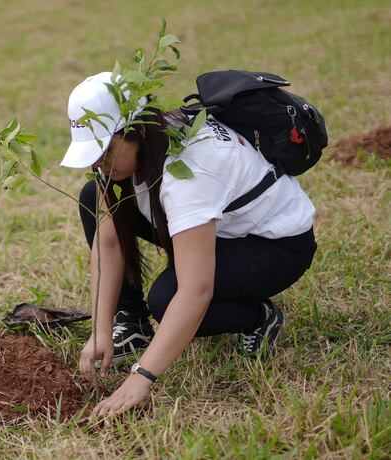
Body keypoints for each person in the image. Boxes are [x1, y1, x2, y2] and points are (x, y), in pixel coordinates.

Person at [60, 72, 317, 417]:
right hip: (219, 230)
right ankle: (132, 326)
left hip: (275, 245)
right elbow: (109, 244)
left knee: (168, 300)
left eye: (103, 151)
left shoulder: (187, 171)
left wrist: (141, 377)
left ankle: (259, 317)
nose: (96, 163)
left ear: (135, 132)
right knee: (92, 196)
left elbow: (196, 290)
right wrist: (100, 330)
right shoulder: (146, 144)